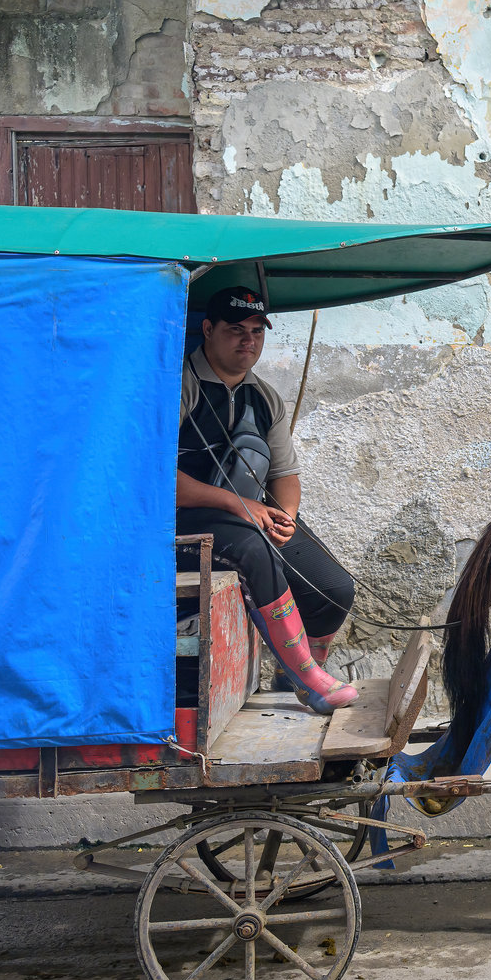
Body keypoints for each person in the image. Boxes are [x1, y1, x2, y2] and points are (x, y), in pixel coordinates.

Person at [176, 287, 358, 714]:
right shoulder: (179, 385)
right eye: (235, 330)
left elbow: (284, 474)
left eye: (257, 331)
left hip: (248, 516)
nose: (248, 341)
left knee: (333, 587)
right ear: (207, 330)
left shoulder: (264, 397)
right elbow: (151, 479)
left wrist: (286, 517)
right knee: (256, 551)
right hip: (181, 518)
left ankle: (294, 673)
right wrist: (239, 505)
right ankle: (311, 682)